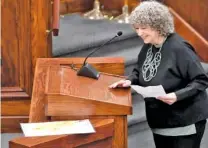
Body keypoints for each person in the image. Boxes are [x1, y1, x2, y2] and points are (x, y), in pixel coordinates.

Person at [109, 1, 208, 148]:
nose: (139, 33)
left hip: (184, 123)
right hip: (160, 122)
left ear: (158, 26)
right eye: (137, 28)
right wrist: (130, 81)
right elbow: (139, 70)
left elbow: (201, 80)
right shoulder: (148, 45)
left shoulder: (180, 48)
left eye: (144, 28)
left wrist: (177, 95)